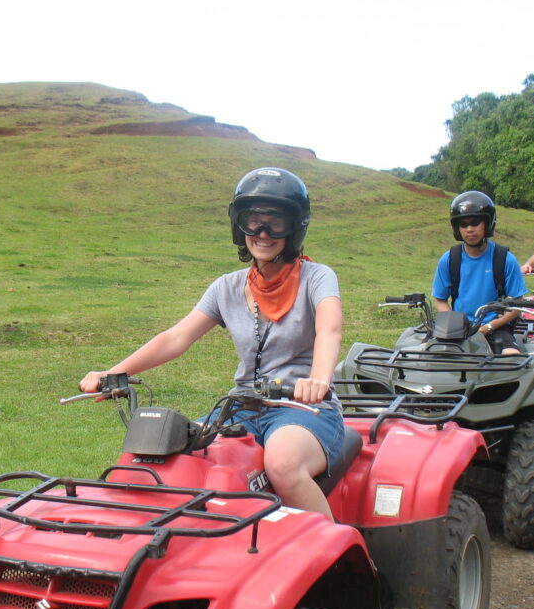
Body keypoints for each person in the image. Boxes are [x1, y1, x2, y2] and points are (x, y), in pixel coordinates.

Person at [79, 167, 344, 520]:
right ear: (240, 227)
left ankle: (338, 556)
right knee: (169, 452)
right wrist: (113, 373)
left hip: (305, 410)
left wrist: (320, 381)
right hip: (242, 409)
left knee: (282, 464)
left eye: (275, 223)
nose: (262, 233)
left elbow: (330, 328)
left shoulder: (317, 277)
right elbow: (175, 337)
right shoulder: (227, 287)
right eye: (253, 221)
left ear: (295, 227)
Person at [431, 191, 529, 355]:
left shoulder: (505, 259)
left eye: (475, 223)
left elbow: (517, 305)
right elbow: (440, 298)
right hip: (458, 329)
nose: (469, 229)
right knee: (426, 354)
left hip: (495, 326)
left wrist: (489, 327)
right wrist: (454, 325)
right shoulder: (449, 259)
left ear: (488, 223)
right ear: (457, 228)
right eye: (463, 224)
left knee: (511, 357)